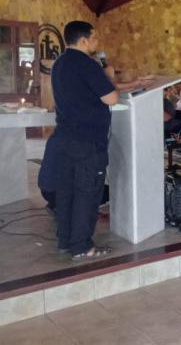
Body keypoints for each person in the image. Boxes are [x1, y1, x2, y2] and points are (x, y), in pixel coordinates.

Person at [41, 21, 145, 260]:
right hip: (87, 142)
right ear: (84, 40)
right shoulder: (87, 64)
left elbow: (87, 91)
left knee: (67, 192)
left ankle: (66, 241)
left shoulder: (60, 64)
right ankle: (82, 246)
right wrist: (107, 76)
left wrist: (129, 83)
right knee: (87, 194)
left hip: (64, 138)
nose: (98, 42)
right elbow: (110, 98)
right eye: (95, 37)